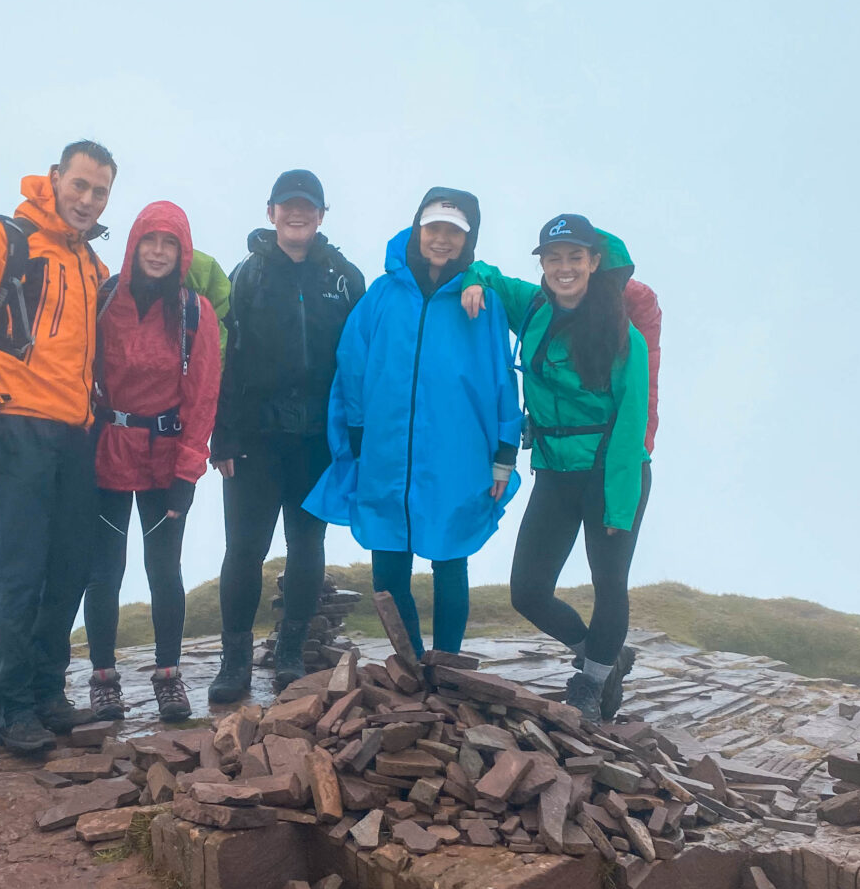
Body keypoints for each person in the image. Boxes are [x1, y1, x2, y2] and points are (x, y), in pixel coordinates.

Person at [0, 140, 114, 755]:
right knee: (13, 578)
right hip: (7, 428)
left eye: (100, 192)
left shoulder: (91, 266)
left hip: (72, 437)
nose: (89, 200)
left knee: (66, 572)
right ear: (56, 179)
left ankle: (45, 691)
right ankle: (10, 708)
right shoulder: (4, 240)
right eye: (81, 186)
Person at [305, 191, 520, 658]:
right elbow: (353, 365)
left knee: (449, 557)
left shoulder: (480, 302)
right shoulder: (383, 294)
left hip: (456, 455)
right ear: (418, 230)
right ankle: (413, 660)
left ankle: (446, 666)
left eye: (454, 231)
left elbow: (502, 377)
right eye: (434, 228)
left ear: (468, 238)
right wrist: (357, 436)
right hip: (386, 451)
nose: (441, 239)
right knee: (387, 568)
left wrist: (504, 453)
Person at [461, 213, 654, 723]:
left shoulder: (622, 334)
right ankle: (604, 657)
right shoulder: (534, 307)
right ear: (543, 264)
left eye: (575, 257)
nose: (563, 268)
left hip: (611, 472)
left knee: (608, 583)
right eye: (553, 258)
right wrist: (477, 283)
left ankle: (589, 684)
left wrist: (618, 504)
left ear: (594, 262)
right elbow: (484, 269)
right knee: (527, 590)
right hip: (554, 472)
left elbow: (631, 425)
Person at [207, 169, 365, 703]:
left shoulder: (346, 278)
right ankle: (233, 664)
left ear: (322, 215)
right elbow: (225, 359)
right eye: (287, 205)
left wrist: (357, 438)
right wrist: (222, 434)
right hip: (255, 438)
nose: (297, 214)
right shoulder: (245, 277)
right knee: (244, 549)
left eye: (308, 206)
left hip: (319, 438)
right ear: (271, 211)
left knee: (307, 545)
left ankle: (290, 654)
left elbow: (360, 363)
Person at [83, 202, 222, 723]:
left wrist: (189, 472)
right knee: (104, 570)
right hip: (108, 452)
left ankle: (168, 675)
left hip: (166, 458)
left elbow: (202, 394)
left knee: (164, 569)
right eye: (150, 241)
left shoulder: (195, 313)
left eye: (170, 243)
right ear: (134, 244)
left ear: (182, 251)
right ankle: (103, 679)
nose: (159, 252)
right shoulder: (103, 301)